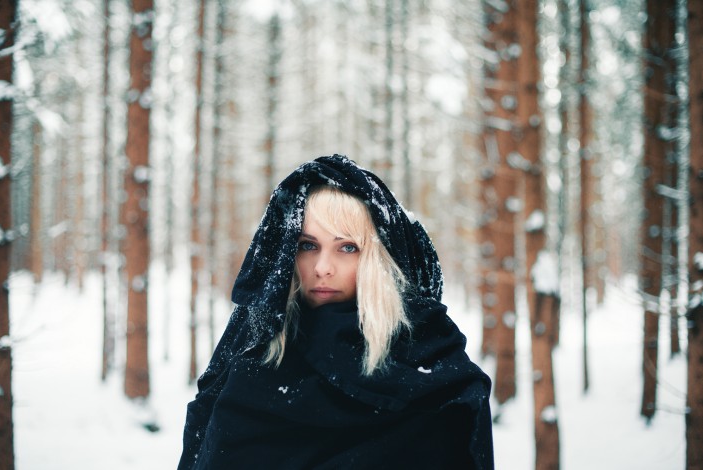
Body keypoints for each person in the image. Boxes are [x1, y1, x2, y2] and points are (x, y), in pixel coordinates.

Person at [178, 155, 494, 469]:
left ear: (378, 257)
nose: (323, 268)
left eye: (347, 248)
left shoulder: (434, 369)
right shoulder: (255, 364)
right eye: (307, 245)